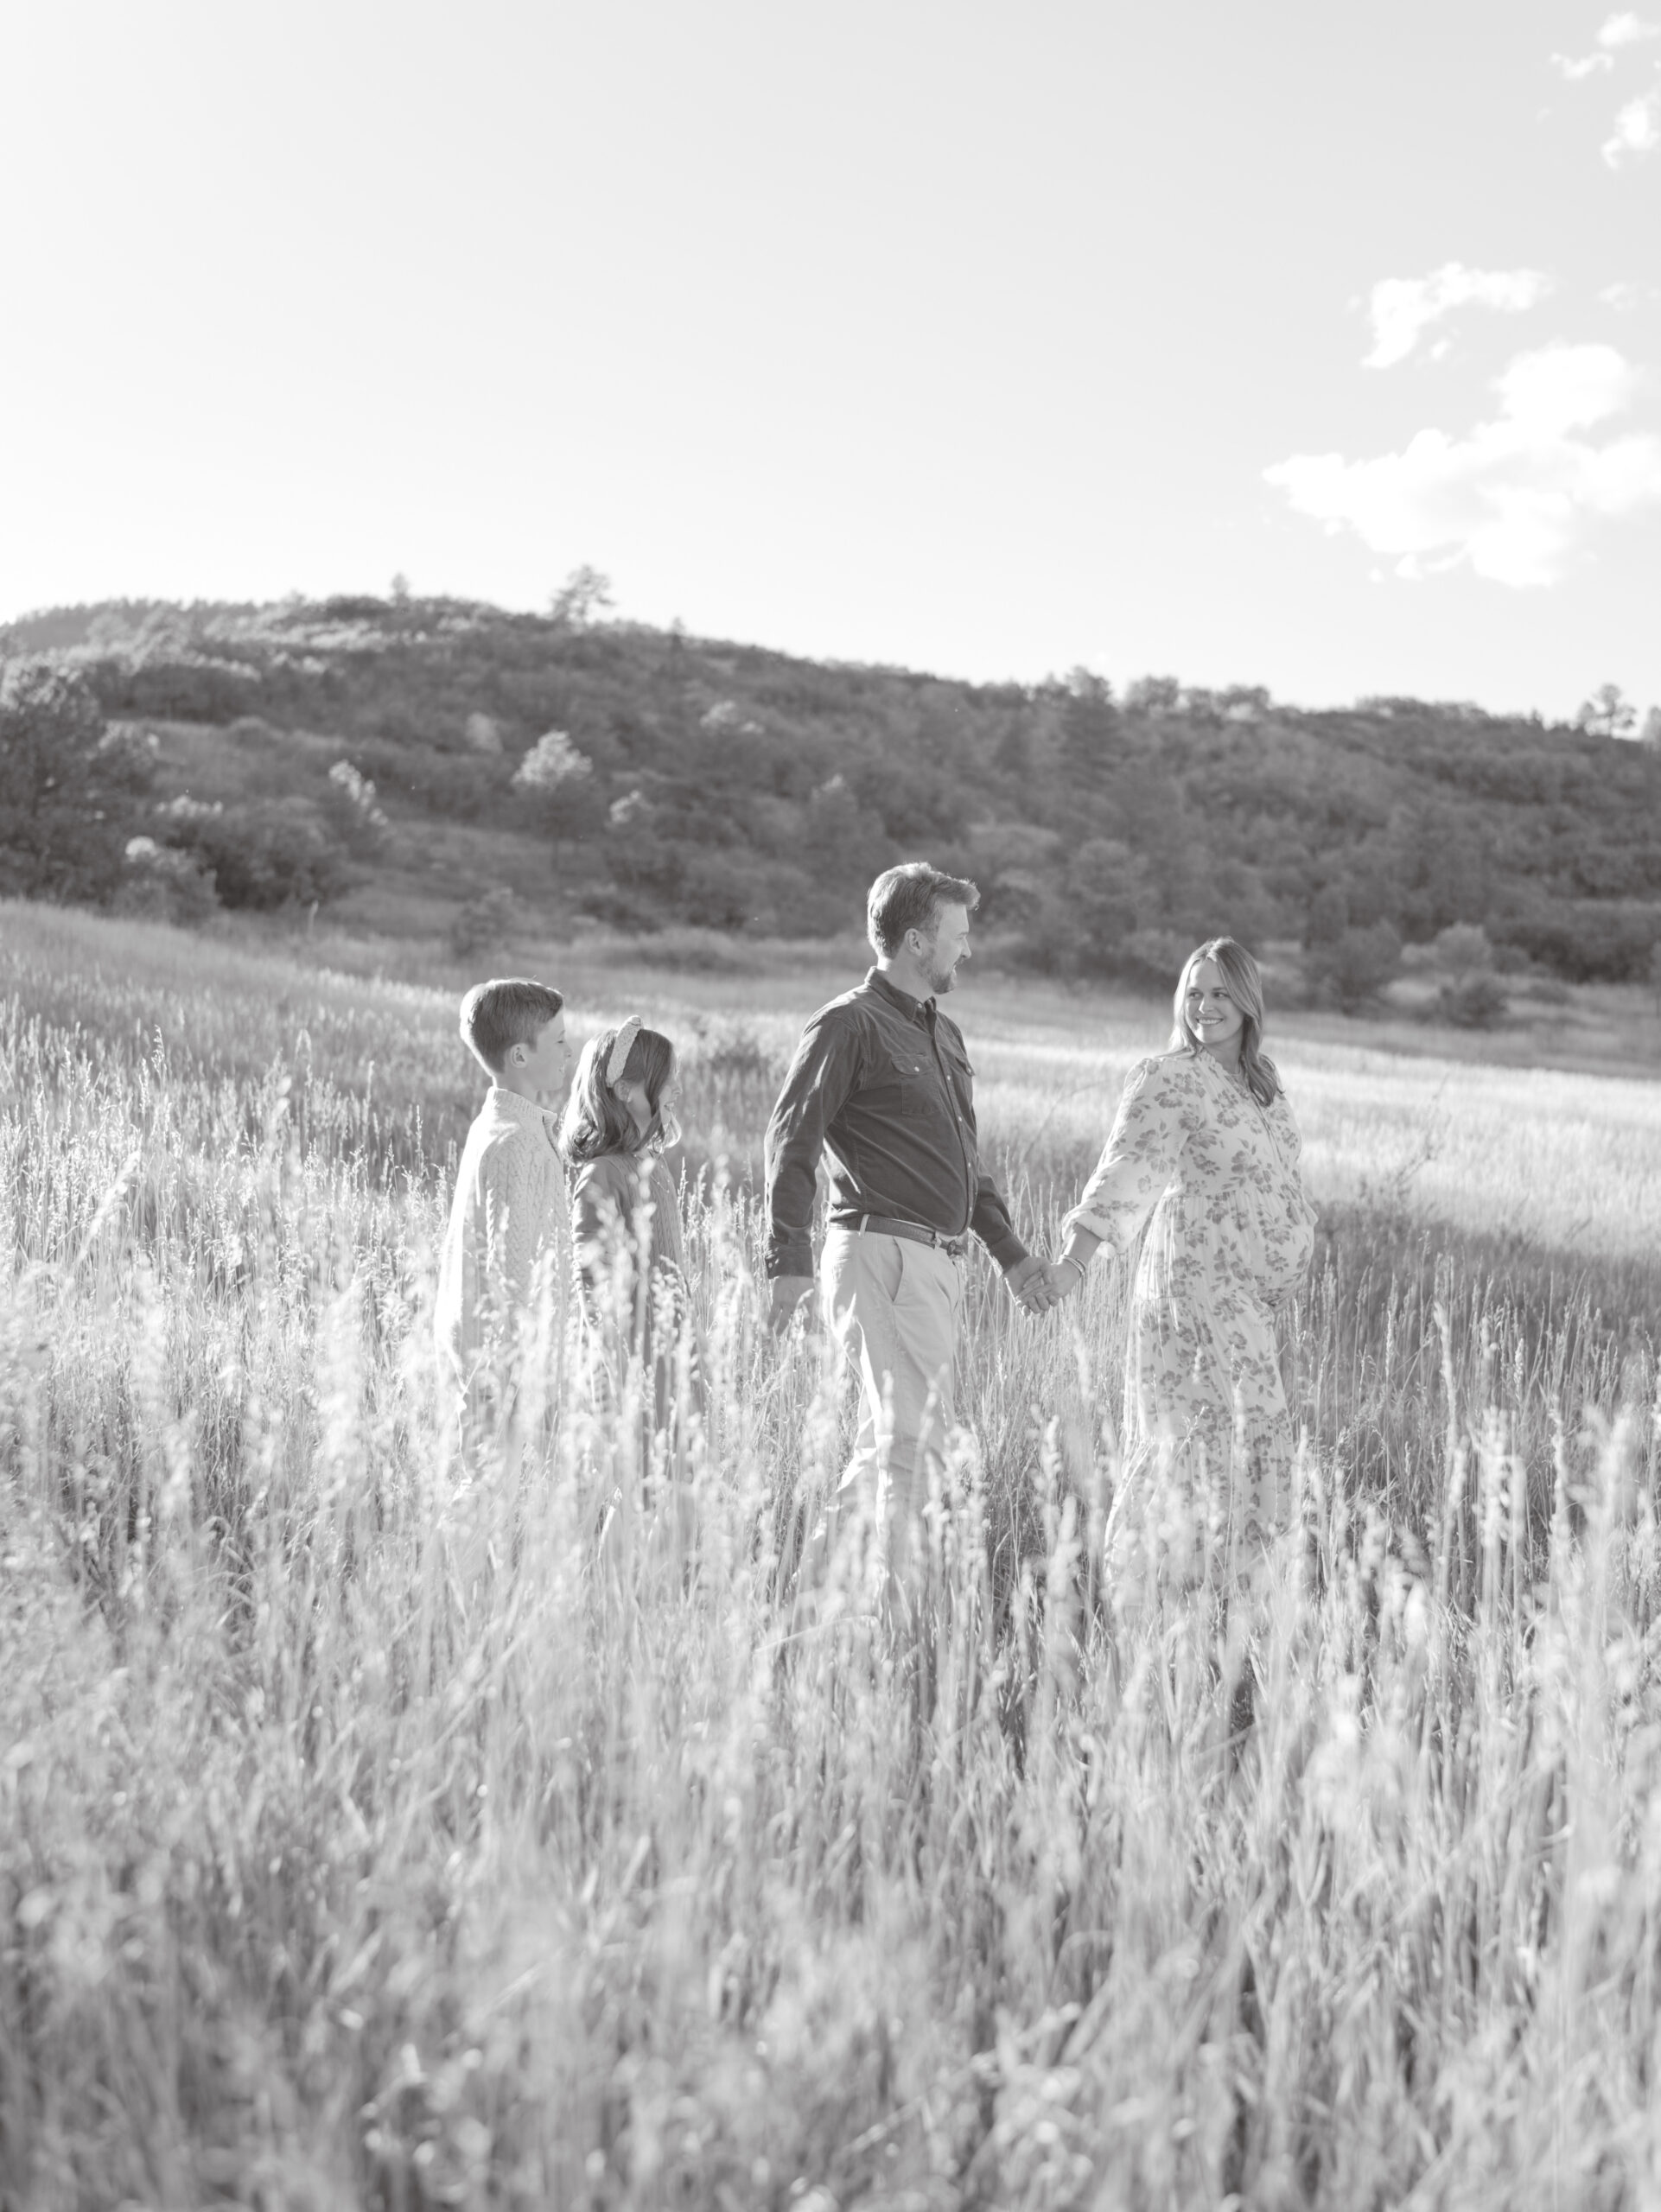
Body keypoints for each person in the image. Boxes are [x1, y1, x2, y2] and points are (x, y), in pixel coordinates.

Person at [764, 862, 1056, 1574]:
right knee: (911, 1443)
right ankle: (840, 1613)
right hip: (879, 1257)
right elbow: (791, 1140)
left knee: (893, 1442)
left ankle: (825, 1612)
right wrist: (786, 1266)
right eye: (958, 935)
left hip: (934, 1265)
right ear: (918, 941)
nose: (968, 950)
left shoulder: (942, 1034)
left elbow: (966, 1162)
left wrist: (1012, 1257)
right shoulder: (848, 1024)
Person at [1047, 938, 1315, 1561]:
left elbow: (1284, 1183)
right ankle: (1148, 1602)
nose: (1205, 1006)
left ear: (1248, 1001)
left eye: (1221, 993)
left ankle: (1238, 1613)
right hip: (1188, 1292)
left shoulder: (1263, 1087)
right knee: (1189, 1437)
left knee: (1257, 1435)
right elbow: (1124, 1175)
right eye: (1194, 993)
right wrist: (1073, 1263)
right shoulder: (1169, 1079)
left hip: (1248, 1302)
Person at [434, 977, 574, 1443]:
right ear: (520, 1056)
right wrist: (525, 1372)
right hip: (503, 1361)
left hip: (479, 1344)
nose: (568, 1051)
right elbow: (511, 1270)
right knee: (489, 1492)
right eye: (558, 1041)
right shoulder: (519, 1143)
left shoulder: (495, 1122)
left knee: (487, 1485)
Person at [561, 1017, 687, 1401]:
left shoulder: (653, 1163)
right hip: (626, 1367)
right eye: (667, 1080)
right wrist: (620, 1365)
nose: (676, 1089)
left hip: (669, 1350)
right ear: (626, 1090)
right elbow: (594, 1283)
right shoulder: (603, 1174)